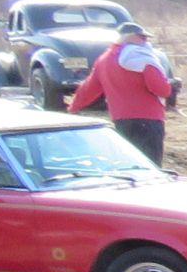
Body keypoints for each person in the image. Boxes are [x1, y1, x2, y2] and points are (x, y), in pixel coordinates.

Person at [69, 21, 176, 166]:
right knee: (151, 166)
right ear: (130, 37)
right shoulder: (142, 57)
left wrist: (73, 108)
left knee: (129, 165)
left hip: (121, 121)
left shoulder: (104, 60)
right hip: (149, 120)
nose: (145, 41)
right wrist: (170, 87)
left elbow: (89, 89)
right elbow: (161, 89)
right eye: (142, 37)